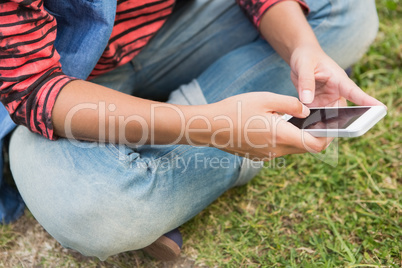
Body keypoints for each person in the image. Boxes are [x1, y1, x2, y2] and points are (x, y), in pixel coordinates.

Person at [0, 0, 383, 262]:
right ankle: (229, 117)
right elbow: (35, 88)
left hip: (175, 30)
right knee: (96, 210)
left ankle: (167, 152)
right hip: (67, 85)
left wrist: (301, 47)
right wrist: (207, 126)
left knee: (350, 12)